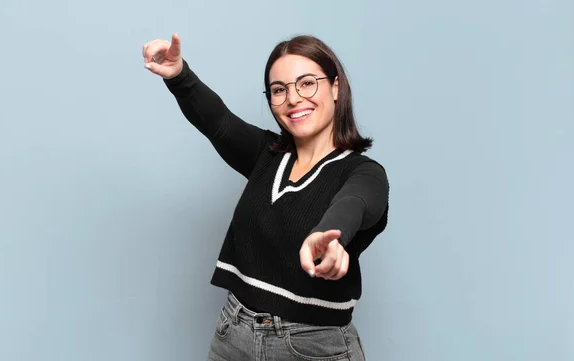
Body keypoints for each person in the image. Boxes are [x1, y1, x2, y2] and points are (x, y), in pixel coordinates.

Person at [142, 33, 389, 361]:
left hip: (312, 347)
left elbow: (355, 202)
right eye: (279, 90)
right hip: (233, 332)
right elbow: (218, 121)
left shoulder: (363, 172)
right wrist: (178, 75)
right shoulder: (267, 155)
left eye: (307, 83)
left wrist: (330, 237)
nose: (293, 98)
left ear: (335, 87)